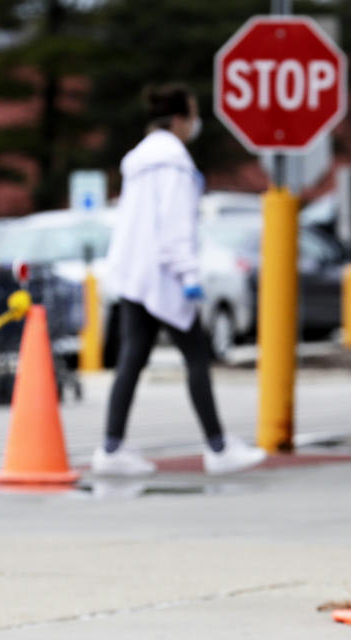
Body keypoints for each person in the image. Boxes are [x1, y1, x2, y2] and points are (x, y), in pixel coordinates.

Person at [92, 83, 266, 476]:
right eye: (193, 115)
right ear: (179, 120)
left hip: (135, 274)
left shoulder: (136, 163)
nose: (195, 124)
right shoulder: (175, 165)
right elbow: (175, 227)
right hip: (167, 276)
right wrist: (189, 275)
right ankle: (218, 449)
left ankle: (111, 447)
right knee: (197, 356)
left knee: (131, 359)